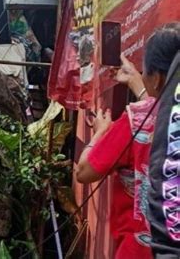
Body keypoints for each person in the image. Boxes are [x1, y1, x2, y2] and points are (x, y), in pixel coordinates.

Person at [75, 23, 180, 259]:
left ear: (157, 76)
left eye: (146, 71)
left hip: (142, 250)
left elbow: (84, 172)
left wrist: (101, 132)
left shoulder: (134, 121)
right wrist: (137, 82)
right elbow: (160, 107)